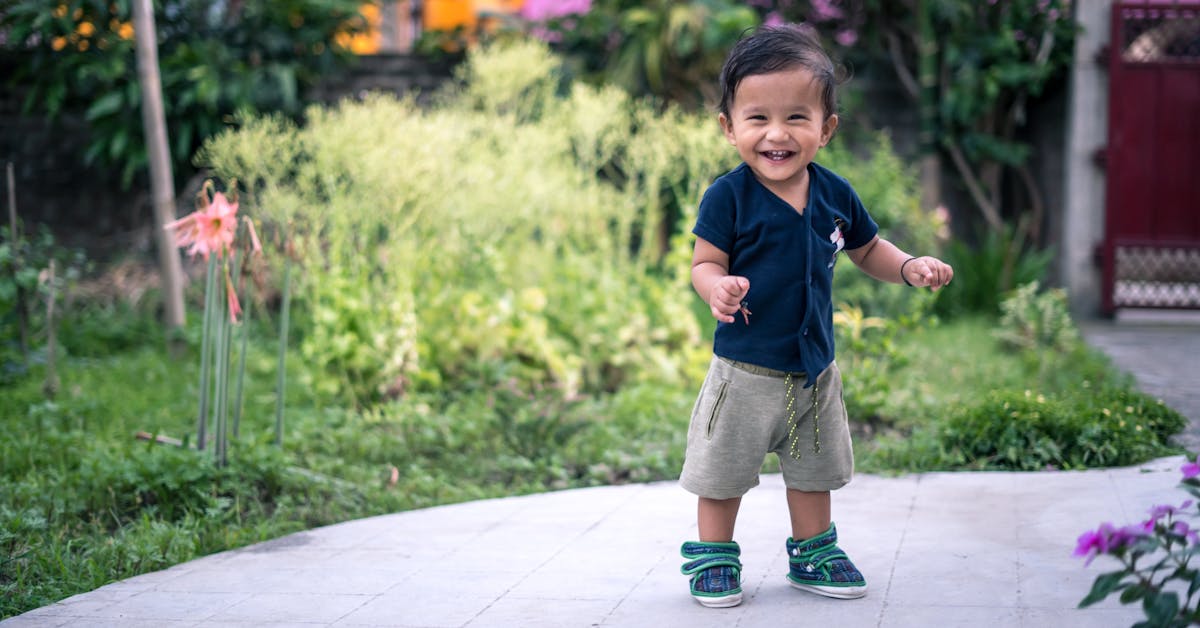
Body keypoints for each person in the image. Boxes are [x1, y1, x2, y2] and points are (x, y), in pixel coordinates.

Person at [678, 23, 953, 608]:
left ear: (826, 128)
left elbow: (867, 249)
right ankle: (714, 557)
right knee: (723, 471)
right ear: (729, 127)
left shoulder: (834, 193)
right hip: (745, 370)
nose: (777, 133)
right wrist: (716, 287)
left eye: (797, 117)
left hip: (814, 370)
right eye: (757, 118)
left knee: (814, 470)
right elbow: (705, 262)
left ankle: (812, 552)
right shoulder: (728, 197)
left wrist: (907, 266)